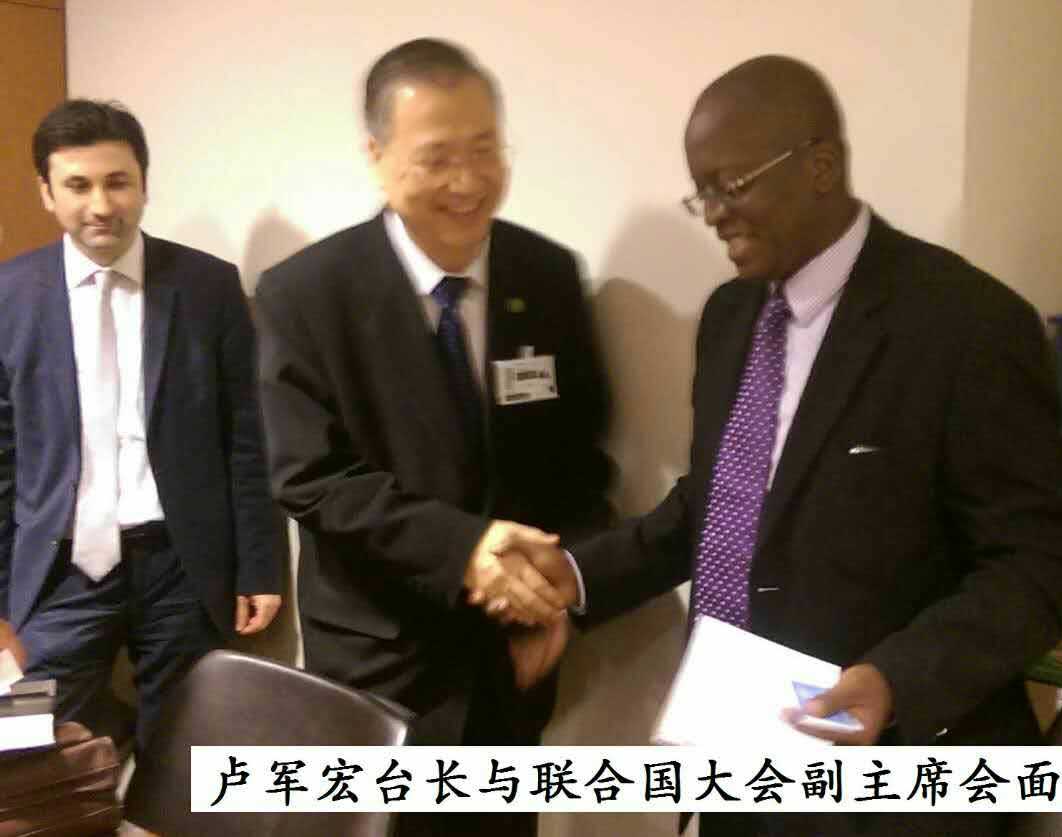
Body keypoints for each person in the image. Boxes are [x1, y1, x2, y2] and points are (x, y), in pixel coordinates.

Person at [502, 55, 1062, 837]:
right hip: (738, 752)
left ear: (820, 166)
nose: (713, 213)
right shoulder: (730, 318)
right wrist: (574, 579)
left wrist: (896, 679)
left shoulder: (967, 325)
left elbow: (1036, 566)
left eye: (731, 185)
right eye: (701, 192)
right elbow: (718, 506)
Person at [254, 37, 612, 834]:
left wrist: (561, 597)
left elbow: (577, 465)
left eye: (485, 150)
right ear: (377, 158)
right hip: (380, 668)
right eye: (438, 158)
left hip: (512, 659)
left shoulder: (547, 275)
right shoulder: (304, 295)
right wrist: (465, 551)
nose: (469, 181)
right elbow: (311, 477)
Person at [0, 100, 282, 752]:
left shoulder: (207, 287)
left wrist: (259, 567)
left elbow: (244, 436)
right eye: (77, 185)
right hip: (60, 568)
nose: (101, 205)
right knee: (31, 747)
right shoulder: (10, 295)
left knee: (184, 750)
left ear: (144, 185)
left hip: (182, 562)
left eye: (117, 182)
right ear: (46, 192)